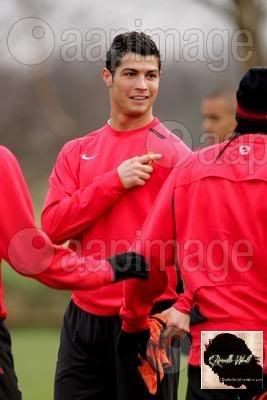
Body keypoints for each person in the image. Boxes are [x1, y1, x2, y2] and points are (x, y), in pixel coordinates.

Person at [41, 31, 191, 400]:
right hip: (83, 319)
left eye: (151, 75)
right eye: (130, 74)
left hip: (149, 323)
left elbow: (197, 246)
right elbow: (53, 228)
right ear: (107, 76)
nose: (142, 85)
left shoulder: (179, 158)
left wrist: (185, 307)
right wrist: (114, 182)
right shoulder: (77, 152)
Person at [119, 67, 267, 400]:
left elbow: (146, 260)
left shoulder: (194, 169)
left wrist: (133, 322)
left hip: (227, 346)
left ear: (239, 110)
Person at [0, 145, 148, 400]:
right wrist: (105, 268)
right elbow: (36, 249)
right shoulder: (75, 152)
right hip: (90, 317)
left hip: (212, 327)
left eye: (212, 118)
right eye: (208, 117)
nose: (207, 125)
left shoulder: (181, 159)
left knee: (226, 389)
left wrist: (181, 303)